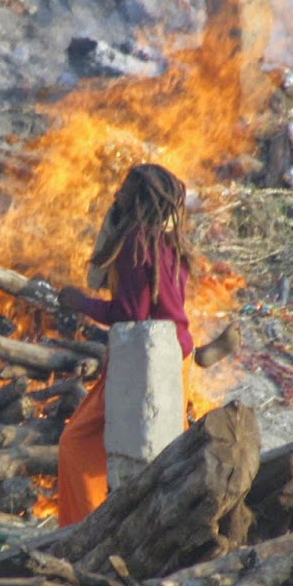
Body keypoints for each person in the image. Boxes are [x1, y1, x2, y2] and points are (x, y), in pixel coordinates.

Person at [52, 163, 195, 527]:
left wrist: (80, 303)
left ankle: (83, 530)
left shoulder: (136, 241)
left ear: (140, 197)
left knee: (75, 444)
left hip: (144, 364)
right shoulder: (168, 242)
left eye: (127, 188)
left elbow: (131, 314)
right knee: (163, 457)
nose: (119, 193)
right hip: (177, 357)